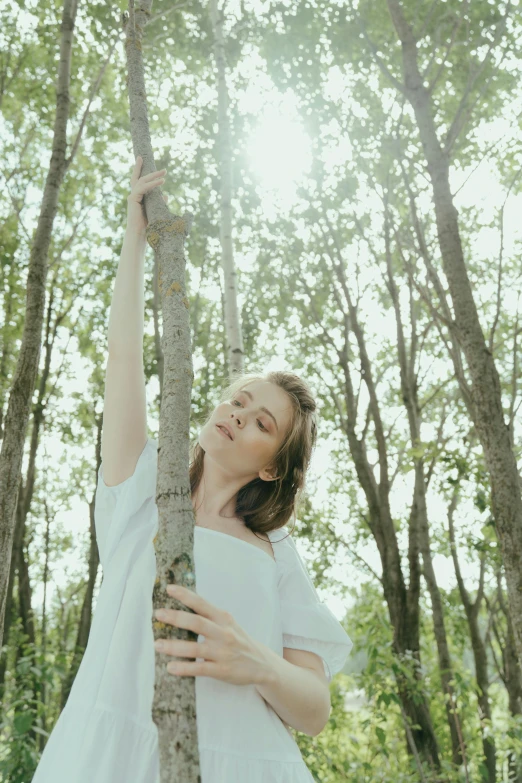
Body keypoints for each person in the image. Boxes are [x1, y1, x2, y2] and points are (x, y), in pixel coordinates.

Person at [32, 157, 352, 783]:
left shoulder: (274, 550)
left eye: (264, 423)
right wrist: (136, 231)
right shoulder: (139, 493)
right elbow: (123, 356)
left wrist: (255, 661)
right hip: (110, 759)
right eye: (240, 399)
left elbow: (314, 710)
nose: (239, 414)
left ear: (273, 472)